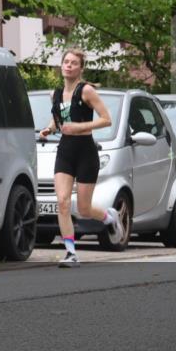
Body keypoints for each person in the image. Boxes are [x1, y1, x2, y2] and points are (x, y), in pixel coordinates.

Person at [38, 48, 119, 267]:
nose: (69, 65)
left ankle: (108, 217)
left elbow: (106, 119)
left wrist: (79, 127)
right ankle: (71, 253)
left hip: (86, 151)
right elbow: (59, 120)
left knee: (83, 209)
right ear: (61, 65)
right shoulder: (54, 94)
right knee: (63, 202)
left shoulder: (87, 91)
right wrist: (48, 129)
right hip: (65, 150)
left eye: (74, 63)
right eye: (66, 62)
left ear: (80, 68)